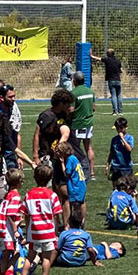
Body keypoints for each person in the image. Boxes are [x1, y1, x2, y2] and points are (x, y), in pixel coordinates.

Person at [32, 89, 88, 225]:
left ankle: (70, 224)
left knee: (67, 194)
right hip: (52, 157)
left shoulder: (65, 114)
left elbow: (66, 132)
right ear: (61, 103)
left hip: (64, 158)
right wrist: (35, 156)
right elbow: (37, 135)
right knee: (56, 193)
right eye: (67, 103)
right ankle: (59, 223)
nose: (70, 106)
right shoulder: (46, 115)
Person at [17, 164, 63, 275]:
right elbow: (56, 216)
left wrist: (28, 231)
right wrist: (55, 232)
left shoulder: (29, 195)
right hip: (48, 231)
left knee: (30, 257)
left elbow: (25, 215)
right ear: (50, 179)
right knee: (46, 258)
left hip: (34, 231)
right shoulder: (52, 195)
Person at [0, 168, 24, 275]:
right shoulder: (15, 196)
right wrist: (15, 230)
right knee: (15, 252)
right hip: (8, 230)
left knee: (5, 254)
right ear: (18, 182)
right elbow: (11, 215)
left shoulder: (7, 195)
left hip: (1, 228)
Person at [70, 71, 96, 179]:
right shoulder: (90, 91)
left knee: (75, 148)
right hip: (89, 123)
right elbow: (94, 107)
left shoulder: (73, 93)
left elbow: (71, 109)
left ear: (74, 81)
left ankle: (79, 170)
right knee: (88, 147)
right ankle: (92, 172)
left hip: (77, 123)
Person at [56, 142, 87, 226]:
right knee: (81, 203)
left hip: (75, 187)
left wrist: (62, 163)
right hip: (81, 185)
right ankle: (82, 223)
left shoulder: (69, 160)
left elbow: (66, 173)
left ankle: (78, 224)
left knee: (76, 207)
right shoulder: (74, 158)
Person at [90, 48, 123, 115]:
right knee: (119, 95)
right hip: (118, 80)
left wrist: (91, 56)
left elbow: (98, 59)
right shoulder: (118, 61)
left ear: (108, 54)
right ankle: (120, 111)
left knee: (113, 95)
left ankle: (115, 111)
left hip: (111, 80)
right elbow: (121, 70)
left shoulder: (107, 60)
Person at [106, 117, 134, 185]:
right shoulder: (114, 139)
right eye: (117, 128)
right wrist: (107, 165)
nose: (119, 130)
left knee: (127, 186)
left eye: (121, 128)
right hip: (116, 166)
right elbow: (112, 152)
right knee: (115, 187)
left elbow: (129, 149)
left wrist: (122, 139)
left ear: (126, 127)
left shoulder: (130, 138)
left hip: (126, 167)